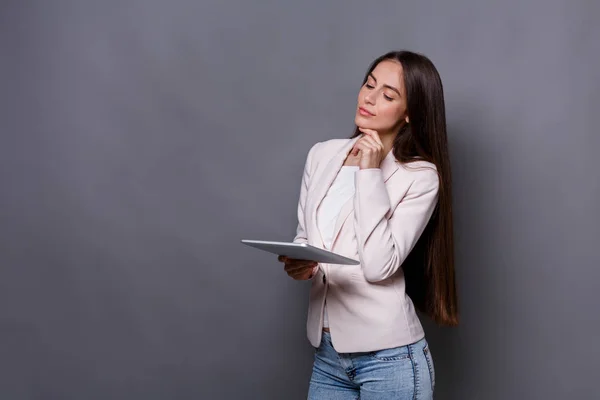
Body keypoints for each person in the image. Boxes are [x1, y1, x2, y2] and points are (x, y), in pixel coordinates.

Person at [278, 50, 459, 399]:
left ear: (409, 113)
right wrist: (301, 264)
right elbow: (307, 237)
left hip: (389, 359)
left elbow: (378, 266)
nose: (370, 98)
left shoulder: (420, 177)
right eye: (369, 84)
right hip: (327, 354)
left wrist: (370, 171)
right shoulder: (322, 154)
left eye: (388, 95)